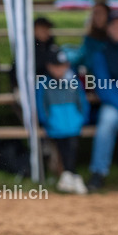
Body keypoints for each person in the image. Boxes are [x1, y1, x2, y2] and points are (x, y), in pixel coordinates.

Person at [36, 47, 89, 195]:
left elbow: (82, 102)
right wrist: (46, 121)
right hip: (55, 124)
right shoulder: (44, 83)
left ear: (67, 65)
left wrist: (82, 119)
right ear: (49, 66)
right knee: (64, 147)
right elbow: (41, 105)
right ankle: (72, 175)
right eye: (56, 66)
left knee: (71, 146)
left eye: (62, 65)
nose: (59, 69)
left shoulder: (74, 81)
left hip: (74, 123)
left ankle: (68, 175)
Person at [87, 12, 118, 192]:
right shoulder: (102, 55)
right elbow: (103, 87)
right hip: (116, 107)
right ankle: (98, 173)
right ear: (108, 29)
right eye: (114, 25)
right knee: (106, 122)